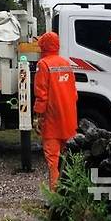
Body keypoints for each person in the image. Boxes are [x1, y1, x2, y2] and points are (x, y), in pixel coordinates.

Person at [33, 32, 78, 190]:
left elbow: (41, 94)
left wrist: (38, 117)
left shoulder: (43, 65)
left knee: (53, 159)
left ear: (43, 46)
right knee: (69, 157)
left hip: (52, 120)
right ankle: (71, 192)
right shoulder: (66, 64)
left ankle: (55, 195)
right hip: (69, 118)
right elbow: (74, 93)